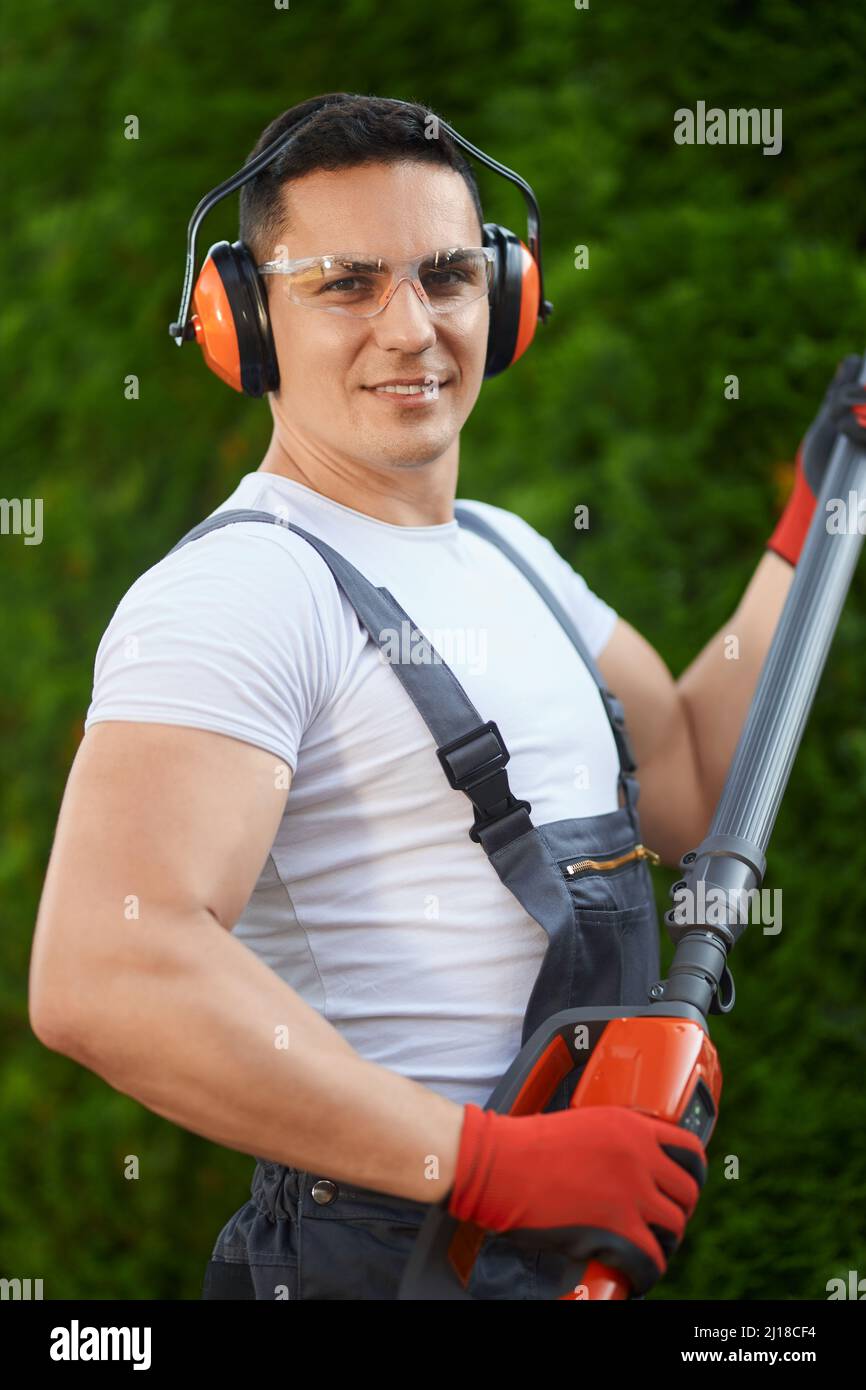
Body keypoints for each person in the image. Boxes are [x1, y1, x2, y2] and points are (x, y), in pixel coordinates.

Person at [28, 92, 866, 1301]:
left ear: (508, 298)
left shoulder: (506, 552)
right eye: (346, 283)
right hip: (376, 1261)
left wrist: (812, 514)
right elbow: (105, 970)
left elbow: (686, 780)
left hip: (545, 1259)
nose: (412, 326)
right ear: (245, 324)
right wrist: (488, 1164)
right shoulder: (241, 591)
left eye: (448, 275)